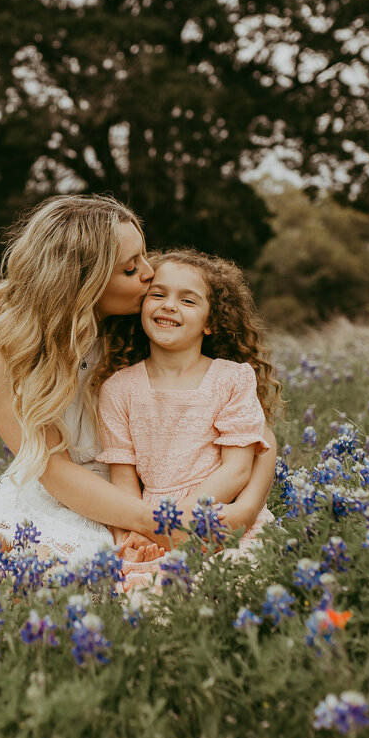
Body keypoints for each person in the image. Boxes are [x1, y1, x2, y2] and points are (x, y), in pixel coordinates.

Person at [0, 195, 276, 592]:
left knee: (80, 582)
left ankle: (15, 583)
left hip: (148, 492)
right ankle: (24, 579)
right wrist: (155, 526)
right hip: (62, 497)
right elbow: (53, 470)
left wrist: (246, 507)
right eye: (131, 267)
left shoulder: (148, 326)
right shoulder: (3, 348)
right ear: (85, 278)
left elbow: (253, 431)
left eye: (145, 257)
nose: (150, 274)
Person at [93, 249, 284, 588]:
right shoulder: (118, 388)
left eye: (188, 300)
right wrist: (134, 533)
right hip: (151, 522)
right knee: (149, 596)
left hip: (217, 512)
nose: (169, 305)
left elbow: (237, 468)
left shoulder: (232, 379)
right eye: (158, 294)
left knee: (237, 582)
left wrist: (181, 518)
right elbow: (122, 479)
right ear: (142, 306)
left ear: (211, 322)